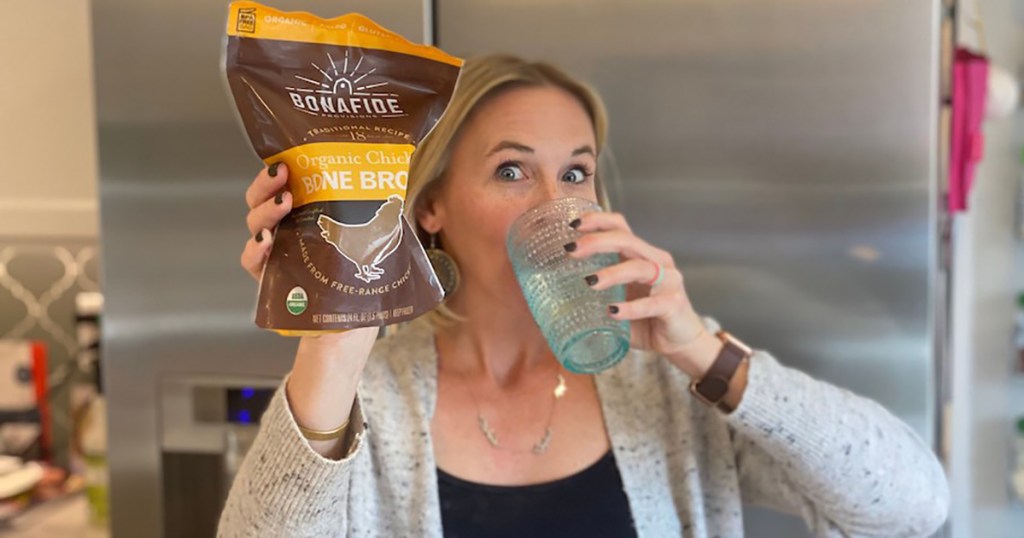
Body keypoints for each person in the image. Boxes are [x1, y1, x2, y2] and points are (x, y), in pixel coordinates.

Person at [219, 55, 949, 537]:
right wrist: (334, 343)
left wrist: (701, 349)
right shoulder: (373, 397)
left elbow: (912, 507)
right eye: (511, 171)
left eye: (575, 174)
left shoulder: (668, 381)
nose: (555, 204)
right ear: (432, 207)